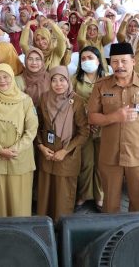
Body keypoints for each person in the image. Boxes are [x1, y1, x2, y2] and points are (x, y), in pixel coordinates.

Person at [87, 42, 139, 213]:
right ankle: (112, 235)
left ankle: (136, 236)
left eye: (123, 61)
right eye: (114, 62)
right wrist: (114, 117)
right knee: (110, 204)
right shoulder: (101, 86)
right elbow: (91, 117)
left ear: (133, 61)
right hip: (110, 155)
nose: (119, 66)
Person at [0, 64, 38, 217]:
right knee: (0, 202)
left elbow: (31, 130)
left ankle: (21, 233)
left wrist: (14, 150)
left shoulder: (25, 101)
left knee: (20, 202)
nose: (2, 81)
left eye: (5, 77)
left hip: (20, 159)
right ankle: (2, 230)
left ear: (12, 78)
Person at [35, 66, 89, 221]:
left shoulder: (77, 101)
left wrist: (65, 151)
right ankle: (45, 230)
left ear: (68, 80)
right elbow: (37, 126)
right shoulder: (44, 98)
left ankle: (62, 233)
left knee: (63, 199)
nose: (58, 84)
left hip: (67, 156)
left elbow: (84, 132)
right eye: (54, 80)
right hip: (47, 154)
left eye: (62, 80)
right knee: (45, 197)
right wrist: (41, 147)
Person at [73, 46, 106, 211]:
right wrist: (87, 122)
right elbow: (70, 103)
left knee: (101, 163)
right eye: (83, 58)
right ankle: (84, 195)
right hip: (83, 128)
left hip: (103, 128)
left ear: (98, 60)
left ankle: (100, 195)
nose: (87, 61)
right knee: (86, 163)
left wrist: (98, 121)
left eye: (90, 57)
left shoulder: (107, 79)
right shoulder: (75, 80)